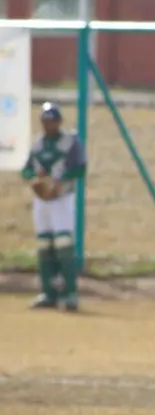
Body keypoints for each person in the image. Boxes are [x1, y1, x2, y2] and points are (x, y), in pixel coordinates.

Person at [20, 102, 87, 311]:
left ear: (59, 121)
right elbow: (27, 169)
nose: (49, 124)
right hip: (42, 201)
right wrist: (33, 180)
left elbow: (81, 168)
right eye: (45, 120)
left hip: (62, 198)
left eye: (52, 120)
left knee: (63, 244)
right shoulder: (38, 143)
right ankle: (48, 292)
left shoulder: (70, 141)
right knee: (44, 244)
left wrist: (60, 181)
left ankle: (70, 293)